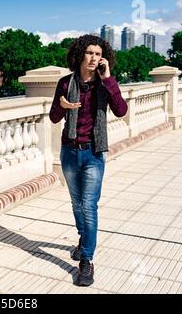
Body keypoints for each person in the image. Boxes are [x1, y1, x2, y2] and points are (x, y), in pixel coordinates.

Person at [49, 35, 128, 287]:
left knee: (89, 206)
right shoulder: (65, 83)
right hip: (69, 151)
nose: (94, 58)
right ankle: (84, 239)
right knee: (76, 203)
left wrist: (108, 79)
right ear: (80, 55)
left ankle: (87, 260)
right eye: (89, 53)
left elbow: (121, 110)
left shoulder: (105, 84)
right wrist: (62, 106)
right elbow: (53, 117)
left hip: (94, 153)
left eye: (98, 53)